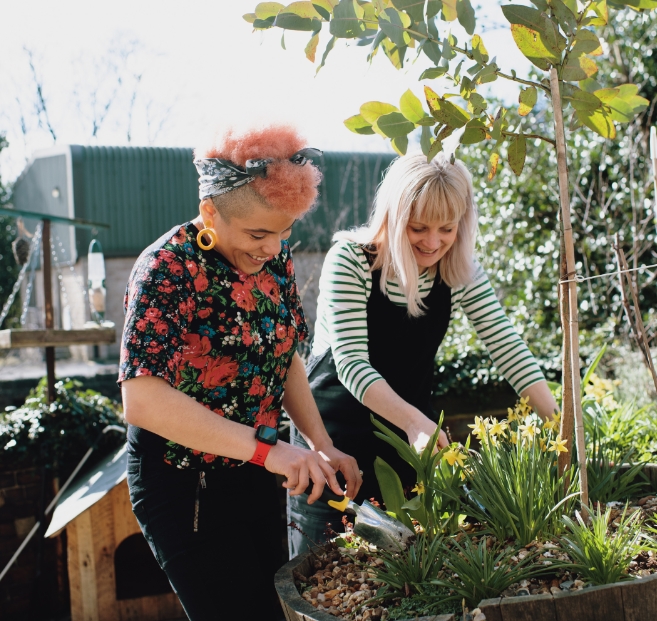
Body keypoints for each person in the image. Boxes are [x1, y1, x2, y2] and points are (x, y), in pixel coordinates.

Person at [119, 125, 362, 621]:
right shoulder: (166, 268)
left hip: (254, 471)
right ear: (210, 212)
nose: (273, 248)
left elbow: (286, 355)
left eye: (284, 231)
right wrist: (268, 450)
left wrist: (319, 444)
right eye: (257, 234)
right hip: (183, 483)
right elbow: (142, 400)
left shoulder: (275, 261)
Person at [287, 151, 559, 557]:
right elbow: (351, 364)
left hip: (409, 443)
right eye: (418, 228)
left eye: (447, 229)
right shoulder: (352, 260)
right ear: (394, 218)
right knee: (328, 571)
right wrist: (416, 422)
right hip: (334, 442)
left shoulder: (457, 269)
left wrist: (559, 423)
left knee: (412, 569)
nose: (433, 242)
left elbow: (506, 345)